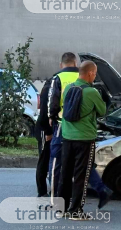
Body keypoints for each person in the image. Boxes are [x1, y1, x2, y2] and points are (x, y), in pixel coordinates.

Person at [57, 61, 106, 220]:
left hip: (67, 137)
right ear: (91, 73)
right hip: (84, 138)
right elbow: (102, 111)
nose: (95, 76)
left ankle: (62, 208)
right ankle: (75, 210)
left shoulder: (69, 88)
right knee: (81, 175)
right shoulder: (92, 92)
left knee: (65, 173)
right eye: (95, 73)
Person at [48, 52, 79, 199]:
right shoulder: (84, 76)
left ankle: (56, 199)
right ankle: (73, 201)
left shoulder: (58, 77)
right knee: (76, 164)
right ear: (75, 63)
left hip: (62, 125)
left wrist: (51, 117)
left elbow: (52, 101)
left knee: (56, 162)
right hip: (80, 128)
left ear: (62, 64)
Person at [35, 77, 54, 197]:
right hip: (44, 129)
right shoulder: (48, 89)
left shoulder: (50, 88)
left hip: (49, 129)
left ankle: (50, 188)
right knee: (44, 159)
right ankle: (41, 191)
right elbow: (43, 114)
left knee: (49, 159)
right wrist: (47, 132)